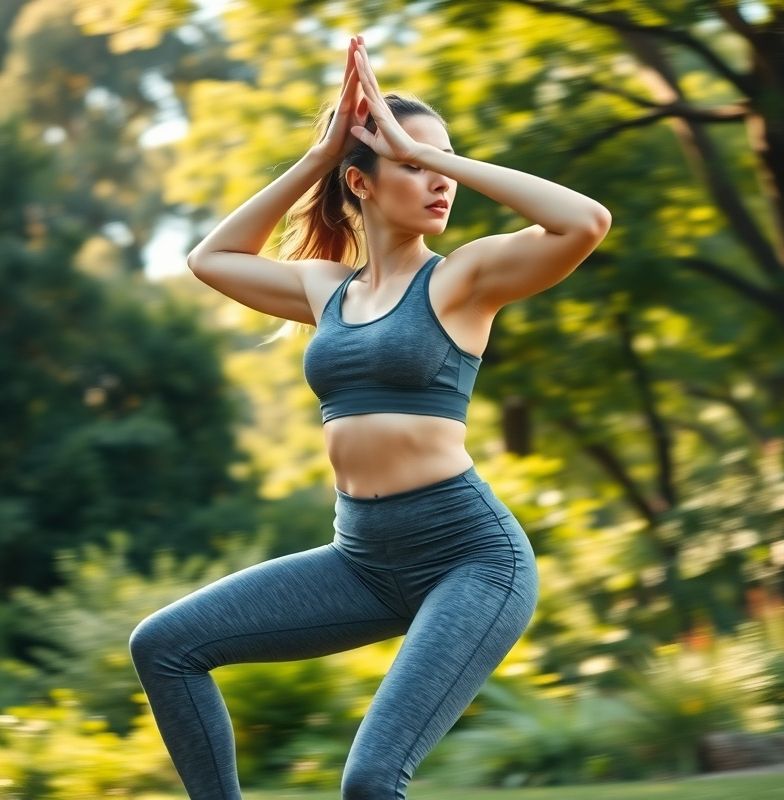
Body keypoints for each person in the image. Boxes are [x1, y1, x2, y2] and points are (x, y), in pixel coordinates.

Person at [129, 34, 611, 800]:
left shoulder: (464, 280)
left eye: (443, 164)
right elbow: (210, 259)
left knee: (371, 781)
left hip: (470, 559)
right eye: (411, 165)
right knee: (164, 646)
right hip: (361, 559)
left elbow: (584, 221)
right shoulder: (328, 292)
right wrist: (320, 157)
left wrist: (432, 154)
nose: (438, 182)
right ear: (361, 180)